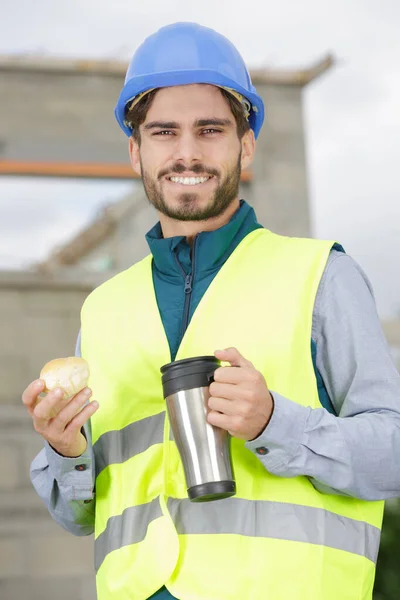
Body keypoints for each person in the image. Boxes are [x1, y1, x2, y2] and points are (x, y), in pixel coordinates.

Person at [23, 22, 400, 600]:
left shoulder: (321, 275)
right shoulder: (103, 312)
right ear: (136, 150)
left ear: (245, 145)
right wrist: (65, 451)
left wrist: (278, 422)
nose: (187, 152)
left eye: (210, 129)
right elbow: (83, 516)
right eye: (164, 132)